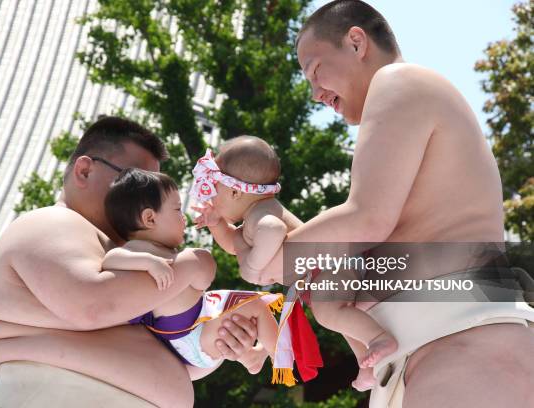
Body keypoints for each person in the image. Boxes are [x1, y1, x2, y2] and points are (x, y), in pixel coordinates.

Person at [253, 1, 534, 407]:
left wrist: (274, 254)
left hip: (464, 337)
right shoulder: (395, 118)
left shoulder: (400, 80)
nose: (315, 94)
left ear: (355, 41)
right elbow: (363, 238)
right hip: (428, 350)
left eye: (315, 70)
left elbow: (368, 219)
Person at [0, 117, 264, 407]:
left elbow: (170, 344)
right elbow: (91, 304)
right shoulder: (50, 222)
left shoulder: (133, 255)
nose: (142, 195)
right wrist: (188, 268)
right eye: (132, 179)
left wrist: (216, 340)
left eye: (151, 187)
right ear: (84, 170)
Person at [190, 135, 396, 390]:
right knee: (340, 320)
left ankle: (379, 338)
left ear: (234, 191)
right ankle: (367, 364)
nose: (211, 199)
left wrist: (254, 267)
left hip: (327, 267)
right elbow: (233, 244)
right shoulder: (249, 220)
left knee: (330, 313)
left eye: (214, 191)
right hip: (317, 276)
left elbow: (273, 230)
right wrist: (216, 224)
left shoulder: (261, 215)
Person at [101, 167, 283, 379]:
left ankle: (251, 356)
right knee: (257, 307)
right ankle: (279, 353)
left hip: (194, 330)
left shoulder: (166, 252)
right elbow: (110, 259)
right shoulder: (137, 248)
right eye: (177, 210)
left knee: (247, 310)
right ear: (150, 218)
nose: (184, 217)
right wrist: (149, 262)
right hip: (191, 335)